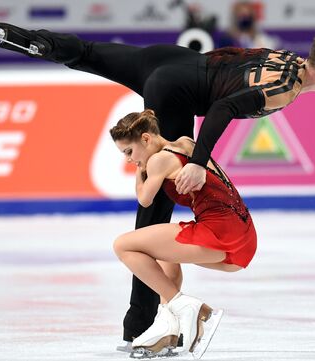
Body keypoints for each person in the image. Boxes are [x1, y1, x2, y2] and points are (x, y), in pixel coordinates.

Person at [0, 22, 315, 349]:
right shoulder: (285, 88)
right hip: (178, 92)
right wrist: (196, 163)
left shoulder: (290, 58)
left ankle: (37, 41)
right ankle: (142, 324)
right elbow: (221, 108)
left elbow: (235, 65)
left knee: (90, 52)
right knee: (155, 210)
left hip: (169, 58)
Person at [109, 109, 257, 356]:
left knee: (123, 245)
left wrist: (140, 168)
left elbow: (145, 199)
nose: (128, 159)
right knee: (166, 255)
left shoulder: (158, 160)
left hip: (220, 234)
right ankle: (168, 327)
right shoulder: (185, 143)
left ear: (146, 139)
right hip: (242, 236)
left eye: (129, 152)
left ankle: (184, 306)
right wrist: (139, 160)